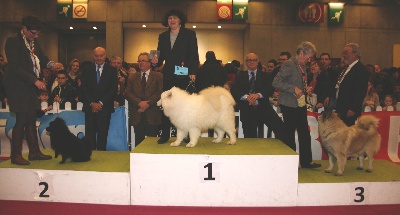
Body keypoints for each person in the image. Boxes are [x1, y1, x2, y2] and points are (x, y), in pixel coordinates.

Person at [3, 15, 54, 165]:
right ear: (24, 29)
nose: (36, 36)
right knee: (21, 119)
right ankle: (15, 155)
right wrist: (35, 81)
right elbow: (15, 67)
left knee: (31, 117)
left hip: (30, 86)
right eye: (33, 32)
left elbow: (42, 57)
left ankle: (34, 152)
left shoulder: (33, 41)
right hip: (17, 86)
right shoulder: (12, 42)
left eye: (38, 33)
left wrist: (51, 64)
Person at [151, 9, 199, 144]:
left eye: (175, 18)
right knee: (166, 105)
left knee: (185, 107)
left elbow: (194, 55)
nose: (172, 20)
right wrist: (155, 62)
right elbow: (160, 59)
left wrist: (193, 72)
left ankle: (187, 135)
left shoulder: (189, 34)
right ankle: (165, 134)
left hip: (184, 75)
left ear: (180, 20)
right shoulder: (163, 36)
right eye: (170, 18)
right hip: (168, 76)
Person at [272, 41, 321, 169]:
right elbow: (276, 82)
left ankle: (306, 161)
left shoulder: (301, 66)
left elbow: (299, 82)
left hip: (300, 104)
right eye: (308, 57)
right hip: (289, 104)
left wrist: (305, 89)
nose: (309, 60)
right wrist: (293, 88)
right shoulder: (289, 64)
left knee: (304, 132)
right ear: (301, 53)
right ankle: (292, 162)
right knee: (289, 134)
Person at [231, 53, 290, 146]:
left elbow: (269, 88)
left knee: (280, 128)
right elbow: (234, 91)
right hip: (247, 109)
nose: (252, 62)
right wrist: (247, 97)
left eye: (254, 60)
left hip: (263, 107)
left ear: (258, 61)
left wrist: (258, 95)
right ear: (246, 62)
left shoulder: (265, 75)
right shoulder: (240, 76)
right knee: (250, 139)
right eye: (249, 60)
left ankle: (283, 152)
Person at [81, 47, 118, 150]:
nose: (99, 58)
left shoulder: (112, 70)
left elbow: (113, 89)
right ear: (93, 56)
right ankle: (90, 156)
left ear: (105, 56)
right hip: (90, 108)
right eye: (96, 56)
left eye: (101, 55)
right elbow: (83, 89)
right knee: (90, 135)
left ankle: (102, 156)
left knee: (103, 134)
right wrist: (92, 103)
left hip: (104, 108)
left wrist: (101, 103)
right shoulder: (86, 69)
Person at [125, 52, 163, 146]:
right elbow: (128, 93)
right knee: (139, 142)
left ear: (150, 63)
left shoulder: (158, 76)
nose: (141, 63)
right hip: (137, 114)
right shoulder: (132, 77)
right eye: (139, 61)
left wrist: (147, 104)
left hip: (152, 114)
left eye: (144, 61)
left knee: (153, 143)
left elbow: (159, 92)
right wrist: (139, 103)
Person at [335, 43, 369, 126]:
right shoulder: (346, 68)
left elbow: (360, 91)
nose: (343, 55)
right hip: (341, 108)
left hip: (349, 110)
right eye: (343, 53)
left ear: (355, 54)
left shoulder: (361, 70)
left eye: (346, 53)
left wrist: (353, 109)